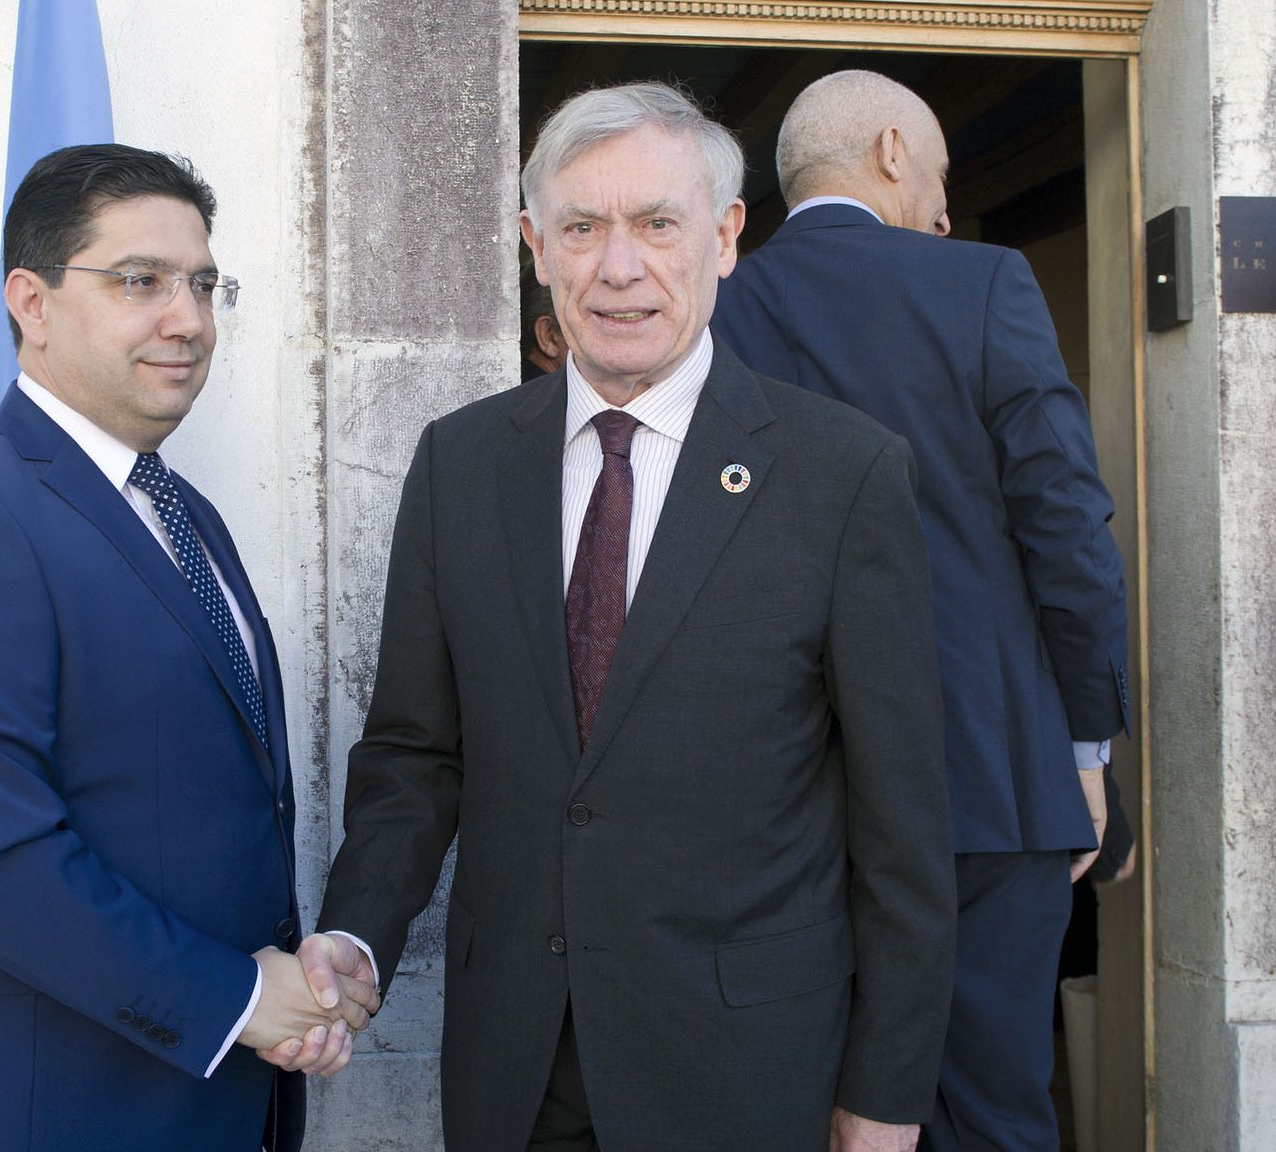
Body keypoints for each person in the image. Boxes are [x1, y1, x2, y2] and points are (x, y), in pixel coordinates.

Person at [302, 82, 955, 1152]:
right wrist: (355, 938)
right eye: (581, 228)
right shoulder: (460, 463)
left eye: (656, 224)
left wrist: (886, 1092)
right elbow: (416, 755)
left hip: (744, 1073)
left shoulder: (842, 474)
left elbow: (902, 823)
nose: (618, 267)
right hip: (516, 1072)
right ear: (534, 245)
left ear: (725, 237)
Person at [0, 143, 376, 1152]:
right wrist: (233, 999)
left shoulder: (182, 513)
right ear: (32, 303)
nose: (187, 319)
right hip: (57, 1113)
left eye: (203, 285)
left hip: (224, 1106)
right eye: (140, 281)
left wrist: (292, 979)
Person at [710, 70, 1133, 1152]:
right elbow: (1067, 528)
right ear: (893, 152)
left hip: (787, 802)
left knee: (808, 1111)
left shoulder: (718, 308)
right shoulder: (985, 282)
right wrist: (1085, 747)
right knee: (994, 1111)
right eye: (940, 176)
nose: (944, 211)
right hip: (988, 784)